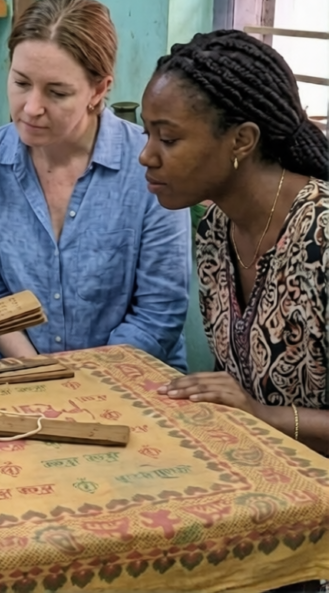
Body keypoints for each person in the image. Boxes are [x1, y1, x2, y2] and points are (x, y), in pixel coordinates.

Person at [0, 0, 190, 369]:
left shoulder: (148, 166)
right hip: (18, 373)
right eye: (20, 83)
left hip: (132, 376)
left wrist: (82, 384)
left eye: (57, 92)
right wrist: (37, 370)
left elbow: (159, 312)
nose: (32, 108)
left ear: (98, 90)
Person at [141, 30, 328, 456]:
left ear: (241, 140)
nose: (146, 156)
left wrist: (262, 414)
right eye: (147, 134)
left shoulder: (323, 234)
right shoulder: (214, 229)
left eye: (168, 139)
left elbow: (253, 406)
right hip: (266, 478)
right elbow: (232, 381)